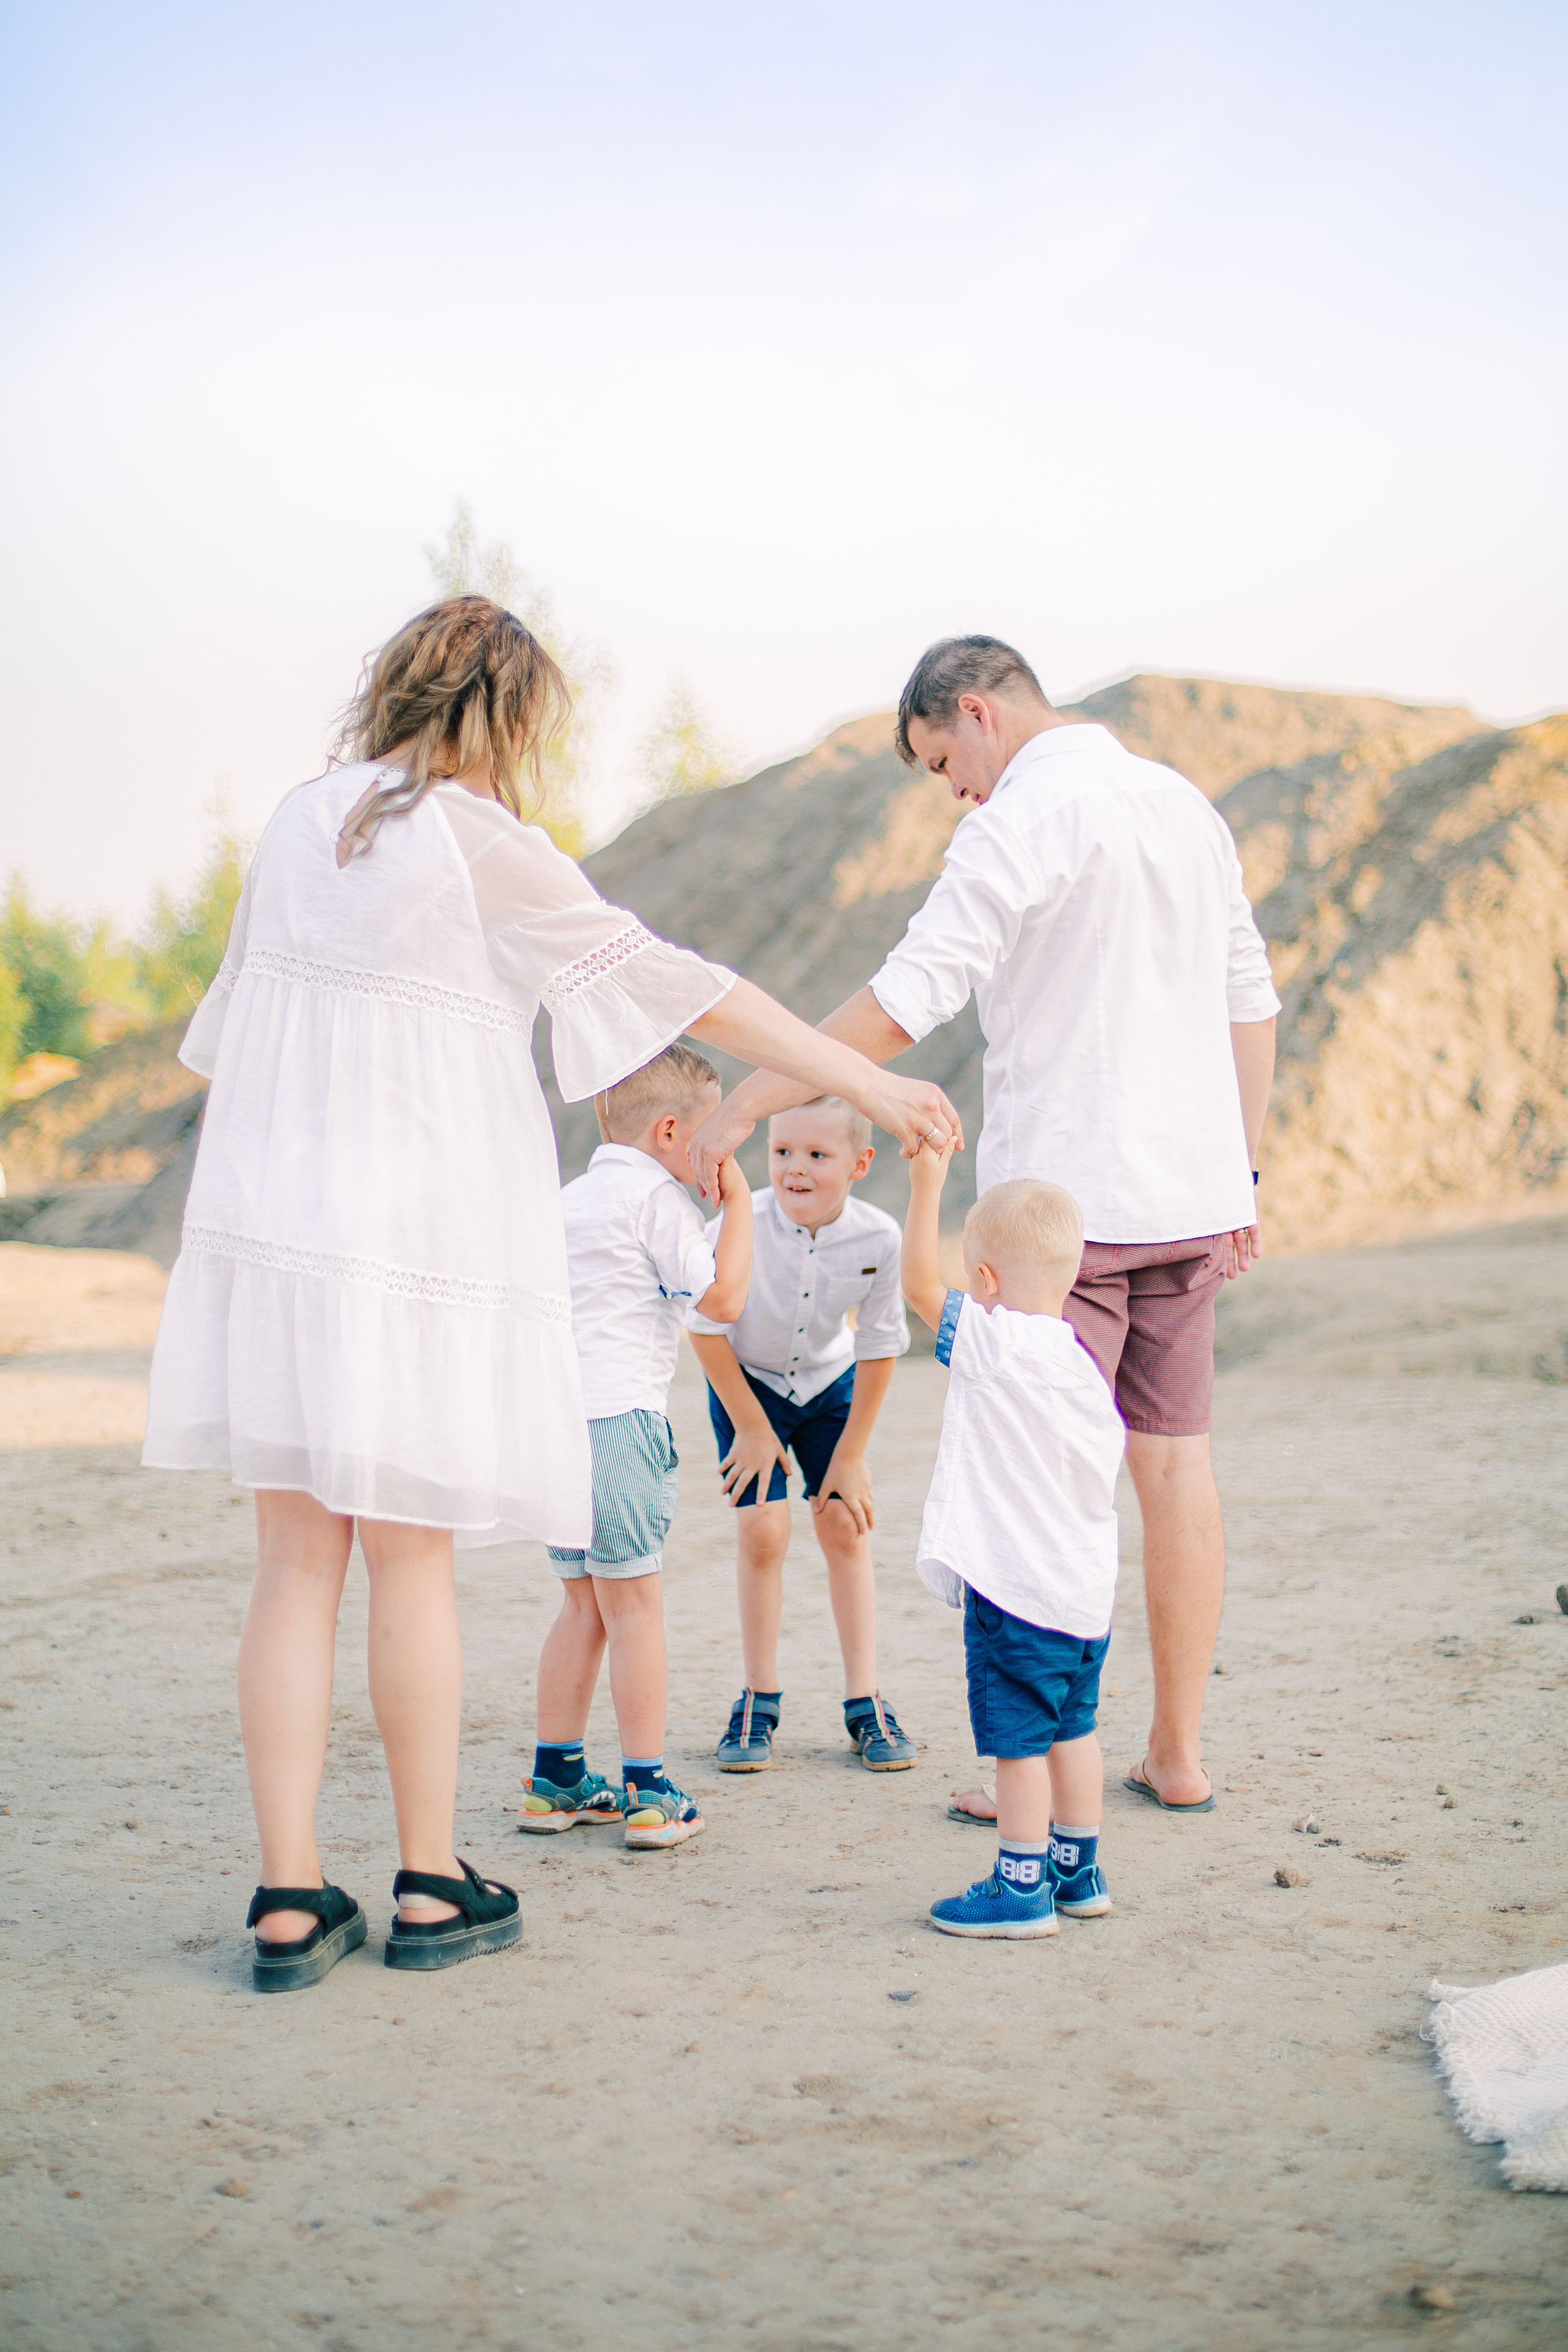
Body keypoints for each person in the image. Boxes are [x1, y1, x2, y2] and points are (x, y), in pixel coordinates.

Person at [141, 595, 963, 1994]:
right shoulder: (480, 841)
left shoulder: (296, 822)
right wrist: (869, 1078)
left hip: (275, 1235)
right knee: (407, 1554)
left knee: (291, 1562)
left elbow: (223, 1043)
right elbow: (681, 989)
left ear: (392, 688)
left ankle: (286, 1900)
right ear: (511, 718)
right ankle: (422, 1876)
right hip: (419, 1240)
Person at [691, 635, 1278, 1816]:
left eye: (940, 760)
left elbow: (911, 995)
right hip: (1191, 1200)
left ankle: (1026, 1770)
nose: (951, 788)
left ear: (977, 712)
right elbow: (1247, 997)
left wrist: (756, 1096)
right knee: (1176, 1471)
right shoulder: (1183, 806)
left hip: (1063, 1215)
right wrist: (1245, 1176)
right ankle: (1176, 1754)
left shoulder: (1017, 820)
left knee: (1032, 1483)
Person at [523, 1043, 752, 1850]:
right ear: (667, 1134)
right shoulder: (657, 1202)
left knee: (581, 1603)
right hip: (621, 1422)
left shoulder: (566, 1202)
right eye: (713, 1138)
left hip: (557, 1428)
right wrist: (741, 1205)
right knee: (634, 1607)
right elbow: (720, 1297)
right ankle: (649, 1789)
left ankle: (555, 1781)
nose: (720, 1153)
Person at [902, 1145, 1125, 1937]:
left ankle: (1021, 1884)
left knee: (1018, 1743)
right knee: (1075, 1728)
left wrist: (926, 1183)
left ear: (987, 1282)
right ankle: (1079, 1870)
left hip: (1019, 1594)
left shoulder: (995, 1343)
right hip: (1084, 1595)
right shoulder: (1081, 1362)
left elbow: (920, 1288)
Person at [686, 1096, 914, 1771]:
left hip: (829, 1385)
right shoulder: (735, 1226)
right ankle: (758, 1700)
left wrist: (851, 1456)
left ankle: (865, 1704)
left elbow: (880, 1346)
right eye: (782, 1152)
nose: (795, 1169)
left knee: (844, 1523)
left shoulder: (880, 1239)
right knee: (763, 1532)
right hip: (745, 1383)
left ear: (859, 1164)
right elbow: (704, 1331)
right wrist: (753, 1431)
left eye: (817, 1155)